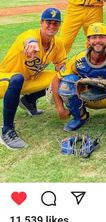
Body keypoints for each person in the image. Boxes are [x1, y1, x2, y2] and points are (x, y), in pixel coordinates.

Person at [0, 8, 66, 149]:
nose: (52, 26)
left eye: (56, 23)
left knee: (61, 77)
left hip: (28, 80)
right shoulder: (31, 35)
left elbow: (61, 65)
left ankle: (28, 101)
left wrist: (67, 73)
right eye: (48, 22)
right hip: (5, 80)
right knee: (17, 79)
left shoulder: (57, 43)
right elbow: (28, 39)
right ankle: (6, 130)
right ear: (41, 22)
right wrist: (31, 43)